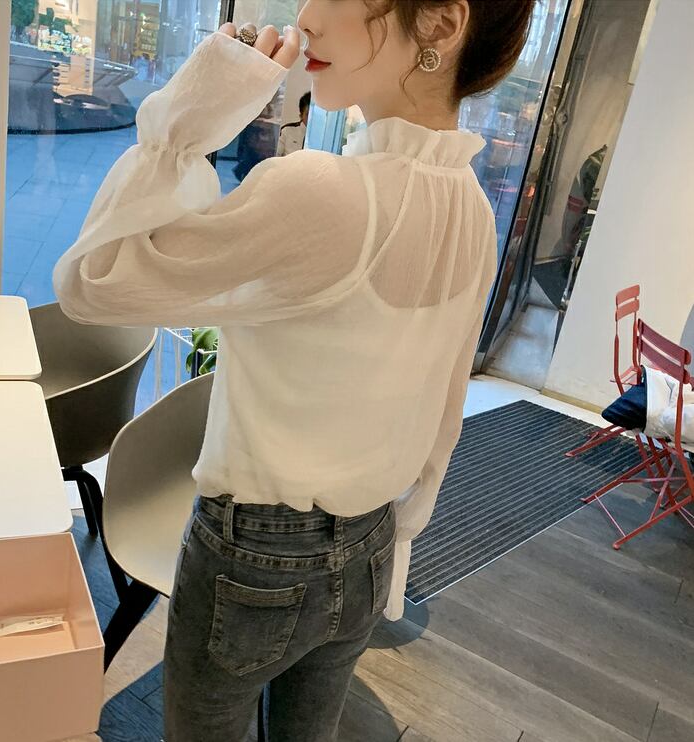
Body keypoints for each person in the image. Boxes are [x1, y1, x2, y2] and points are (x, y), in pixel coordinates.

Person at [51, 2, 536, 740]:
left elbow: (94, 283)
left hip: (254, 555)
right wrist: (404, 525)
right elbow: (445, 400)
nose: (307, 15)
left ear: (440, 25)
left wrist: (189, 119)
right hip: (371, 542)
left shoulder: (322, 191)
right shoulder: (468, 203)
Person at [277, 91, 311, 156]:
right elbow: (276, 154)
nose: (311, 118)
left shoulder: (322, 138)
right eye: (308, 114)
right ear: (301, 115)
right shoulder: (287, 130)